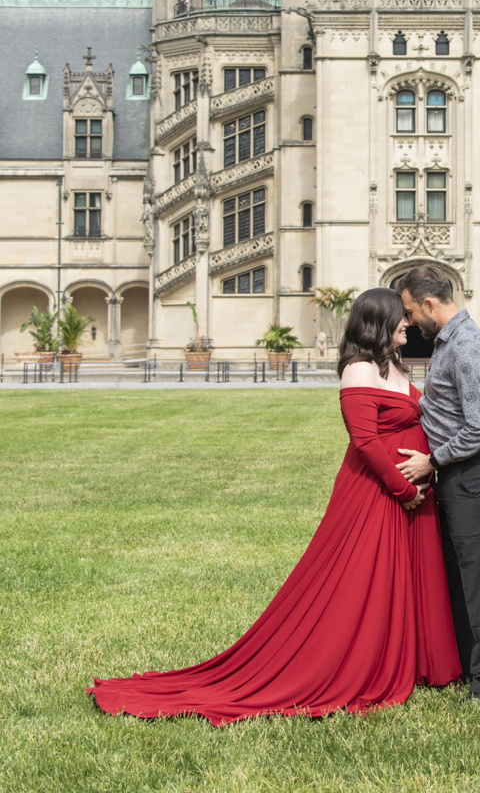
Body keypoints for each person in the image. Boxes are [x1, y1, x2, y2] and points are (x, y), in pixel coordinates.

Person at [87, 288, 460, 725]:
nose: (409, 323)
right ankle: (353, 660)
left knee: (402, 576)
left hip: (408, 492)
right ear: (378, 320)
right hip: (376, 494)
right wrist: (404, 489)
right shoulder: (358, 369)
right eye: (400, 317)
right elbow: (365, 442)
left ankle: (408, 656)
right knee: (361, 580)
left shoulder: (394, 365)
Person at [397, 265, 480, 703]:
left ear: (430, 304)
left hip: (477, 473)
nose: (409, 322)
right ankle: (468, 668)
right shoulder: (448, 341)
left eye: (410, 312)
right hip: (461, 476)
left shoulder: (463, 345)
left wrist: (432, 461)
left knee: (479, 580)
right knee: (460, 579)